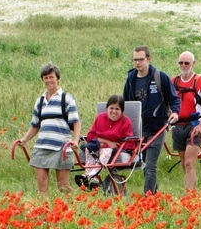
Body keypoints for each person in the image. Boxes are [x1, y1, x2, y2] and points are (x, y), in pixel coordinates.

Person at [16, 63, 81, 196]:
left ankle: (75, 208)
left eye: (51, 77)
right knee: (41, 183)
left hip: (61, 147)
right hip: (42, 146)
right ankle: (44, 213)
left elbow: (76, 122)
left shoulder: (67, 99)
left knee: (62, 186)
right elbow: (35, 125)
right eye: (45, 78)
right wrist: (24, 140)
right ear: (43, 80)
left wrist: (75, 140)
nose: (49, 80)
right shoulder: (40, 101)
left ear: (57, 78)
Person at [123, 46, 180, 195]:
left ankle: (146, 199)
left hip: (158, 126)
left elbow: (174, 99)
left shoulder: (160, 77)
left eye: (140, 59)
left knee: (150, 165)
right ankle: (155, 195)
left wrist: (175, 113)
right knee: (144, 165)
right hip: (139, 127)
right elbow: (127, 104)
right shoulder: (130, 79)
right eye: (135, 60)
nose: (137, 63)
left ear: (148, 59)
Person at [171, 51, 201, 190]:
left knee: (189, 162)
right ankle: (190, 189)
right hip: (178, 126)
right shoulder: (174, 82)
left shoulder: (199, 81)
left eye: (187, 63)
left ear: (193, 64)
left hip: (194, 126)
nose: (183, 65)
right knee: (183, 163)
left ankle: (190, 195)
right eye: (181, 63)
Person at [75, 94, 134, 190]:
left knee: (105, 152)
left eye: (117, 109)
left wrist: (111, 145)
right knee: (89, 149)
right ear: (107, 108)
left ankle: (93, 175)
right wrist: (103, 141)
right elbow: (90, 136)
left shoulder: (126, 122)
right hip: (97, 146)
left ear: (122, 111)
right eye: (111, 108)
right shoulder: (100, 118)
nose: (114, 111)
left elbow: (128, 143)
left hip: (113, 150)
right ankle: (88, 175)